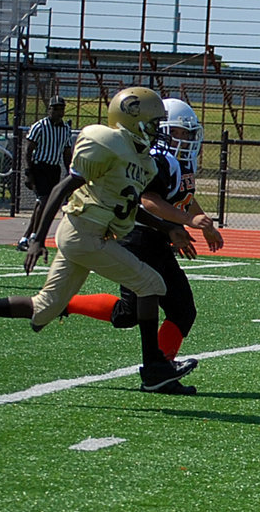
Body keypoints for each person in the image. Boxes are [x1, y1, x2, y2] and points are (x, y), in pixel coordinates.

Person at [0, 87, 200, 394]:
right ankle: (154, 368)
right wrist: (36, 239)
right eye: (152, 124)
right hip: (84, 234)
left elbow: (128, 203)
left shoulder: (142, 161)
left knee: (44, 308)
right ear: (131, 120)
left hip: (88, 234)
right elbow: (62, 188)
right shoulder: (107, 142)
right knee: (151, 284)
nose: (156, 132)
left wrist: (167, 229)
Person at [62, 98, 218, 394]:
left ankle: (159, 368)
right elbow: (149, 201)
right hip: (138, 237)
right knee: (147, 311)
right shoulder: (156, 159)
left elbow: (182, 195)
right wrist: (183, 222)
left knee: (159, 311)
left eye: (189, 133)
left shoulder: (175, 160)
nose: (186, 139)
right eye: (180, 132)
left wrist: (199, 220)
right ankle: (158, 369)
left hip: (154, 238)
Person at [17, 95, 75, 252]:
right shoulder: (39, 126)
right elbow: (28, 149)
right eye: (55, 108)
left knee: (44, 204)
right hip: (39, 167)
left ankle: (27, 237)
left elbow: (67, 152)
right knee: (43, 202)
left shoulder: (65, 129)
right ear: (49, 109)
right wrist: (28, 172)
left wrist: (70, 171)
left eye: (61, 108)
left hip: (54, 169)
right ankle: (33, 236)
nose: (58, 112)